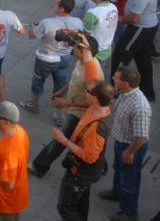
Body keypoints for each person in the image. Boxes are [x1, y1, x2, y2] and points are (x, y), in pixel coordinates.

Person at [29, 32, 102, 179]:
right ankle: (101, 165)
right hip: (74, 108)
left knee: (60, 140)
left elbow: (93, 101)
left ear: (83, 51)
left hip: (80, 113)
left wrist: (66, 102)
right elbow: (74, 80)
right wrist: (62, 91)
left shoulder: (93, 72)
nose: (72, 48)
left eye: (76, 47)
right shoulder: (81, 62)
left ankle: (39, 166)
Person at [99, 67, 151, 221]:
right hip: (121, 140)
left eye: (116, 78)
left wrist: (129, 152)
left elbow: (141, 137)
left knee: (130, 180)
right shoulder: (124, 93)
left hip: (131, 146)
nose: (113, 79)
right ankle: (117, 193)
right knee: (118, 169)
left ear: (126, 83)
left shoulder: (140, 107)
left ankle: (129, 213)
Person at [55, 80, 113, 221]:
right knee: (80, 203)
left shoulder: (98, 128)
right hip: (83, 172)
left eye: (88, 92)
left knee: (65, 208)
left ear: (95, 98)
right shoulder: (99, 108)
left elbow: (89, 156)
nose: (85, 93)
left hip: (80, 173)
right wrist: (68, 103)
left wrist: (63, 140)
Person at [20, 0, 84, 117]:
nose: (52, 4)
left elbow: (32, 35)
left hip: (45, 59)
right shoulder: (78, 22)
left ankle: (33, 104)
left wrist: (33, 27)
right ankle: (59, 114)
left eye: (55, 3)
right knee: (60, 85)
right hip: (65, 58)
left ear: (62, 9)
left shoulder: (47, 23)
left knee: (38, 81)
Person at [110, 0, 157, 101]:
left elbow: (133, 18)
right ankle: (148, 92)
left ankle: (115, 88)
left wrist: (120, 19)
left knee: (121, 55)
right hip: (146, 27)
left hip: (139, 28)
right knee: (142, 59)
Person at [83, 0, 119, 66]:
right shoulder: (113, 7)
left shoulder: (92, 13)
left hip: (93, 52)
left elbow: (86, 34)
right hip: (106, 49)